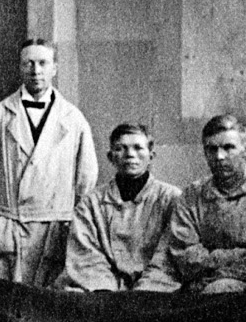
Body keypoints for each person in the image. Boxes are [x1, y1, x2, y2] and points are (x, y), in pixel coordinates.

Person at [0, 39, 97, 287]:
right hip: (7, 228)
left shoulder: (73, 120)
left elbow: (86, 178)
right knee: (1, 298)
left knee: (48, 300)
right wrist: (0, 207)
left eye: (43, 63)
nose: (36, 70)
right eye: (29, 63)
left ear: (54, 68)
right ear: (20, 68)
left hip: (54, 228)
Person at [139, 115, 246, 294]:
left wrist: (214, 277)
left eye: (228, 147)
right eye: (211, 149)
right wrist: (238, 254)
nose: (219, 156)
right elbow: (185, 257)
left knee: (219, 289)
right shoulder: (191, 196)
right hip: (202, 287)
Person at [60, 122, 181, 291]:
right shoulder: (91, 203)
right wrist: (105, 290)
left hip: (155, 290)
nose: (130, 154)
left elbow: (168, 257)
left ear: (151, 156)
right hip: (103, 290)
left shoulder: (171, 199)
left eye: (138, 148)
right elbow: (86, 256)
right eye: (120, 148)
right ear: (110, 157)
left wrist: (144, 292)